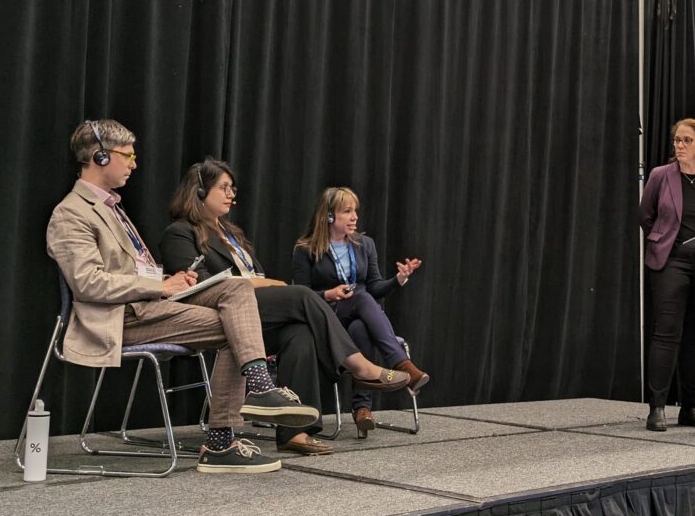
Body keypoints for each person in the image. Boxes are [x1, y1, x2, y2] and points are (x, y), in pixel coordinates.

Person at [46, 120, 322, 473]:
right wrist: (159, 286)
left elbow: (129, 271)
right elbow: (88, 284)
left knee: (237, 289)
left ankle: (254, 393)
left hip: (149, 307)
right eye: (127, 155)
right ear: (99, 157)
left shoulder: (113, 209)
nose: (133, 163)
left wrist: (169, 279)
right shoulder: (71, 213)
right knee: (234, 328)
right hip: (116, 320)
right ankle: (225, 437)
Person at [159, 159, 411, 454]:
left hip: (250, 317)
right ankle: (359, 366)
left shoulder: (232, 235)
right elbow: (198, 287)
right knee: (303, 295)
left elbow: (256, 275)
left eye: (232, 188)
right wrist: (266, 286)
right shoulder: (179, 232)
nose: (231, 195)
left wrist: (264, 284)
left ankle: (294, 432)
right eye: (223, 188)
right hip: (216, 315)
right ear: (200, 192)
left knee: (299, 332)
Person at [293, 187, 426, 439]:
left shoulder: (365, 245)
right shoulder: (306, 249)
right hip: (327, 318)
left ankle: (362, 409)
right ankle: (402, 366)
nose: (354, 217)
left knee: (360, 326)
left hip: (359, 319)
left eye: (355, 211)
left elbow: (375, 287)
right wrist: (328, 294)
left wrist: (398, 279)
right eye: (347, 211)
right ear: (329, 216)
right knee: (362, 297)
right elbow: (299, 294)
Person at [639, 118, 695, 431]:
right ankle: (657, 408)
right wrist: (662, 242)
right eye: (677, 140)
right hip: (671, 262)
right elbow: (645, 215)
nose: (679, 146)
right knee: (667, 334)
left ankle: (690, 407)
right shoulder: (660, 176)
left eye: (686, 141)